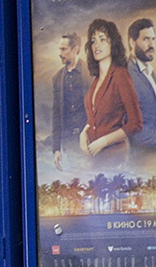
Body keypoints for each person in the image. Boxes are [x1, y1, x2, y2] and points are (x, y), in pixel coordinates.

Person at [80, 18, 143, 168]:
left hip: (115, 156)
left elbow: (136, 123)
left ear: (112, 43)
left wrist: (104, 141)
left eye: (102, 39)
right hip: (96, 157)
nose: (97, 45)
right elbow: (97, 116)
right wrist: (83, 133)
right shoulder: (96, 80)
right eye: (93, 41)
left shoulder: (120, 75)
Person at [52, 33, 89, 170]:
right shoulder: (57, 78)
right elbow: (56, 114)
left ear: (75, 49)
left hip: (89, 141)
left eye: (63, 49)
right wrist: (56, 149)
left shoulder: (91, 73)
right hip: (69, 145)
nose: (60, 53)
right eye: (59, 49)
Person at [128, 18, 156, 150]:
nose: (151, 44)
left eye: (153, 39)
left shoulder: (148, 71)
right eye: (146, 39)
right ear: (132, 42)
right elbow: (134, 131)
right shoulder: (127, 75)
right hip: (143, 158)